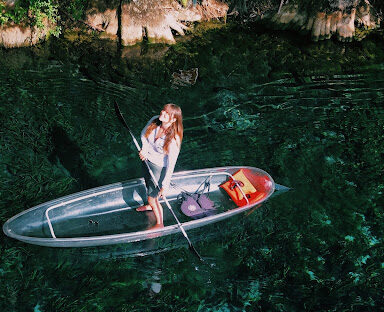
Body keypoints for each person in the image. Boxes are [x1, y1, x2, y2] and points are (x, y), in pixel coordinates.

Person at [136, 104, 183, 230]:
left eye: (167, 113)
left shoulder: (174, 139)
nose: (163, 113)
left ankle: (159, 223)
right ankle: (151, 206)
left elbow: (171, 164)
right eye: (163, 110)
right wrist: (144, 150)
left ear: (173, 119)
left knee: (153, 197)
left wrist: (165, 185)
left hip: (159, 168)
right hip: (146, 160)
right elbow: (143, 134)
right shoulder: (155, 119)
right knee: (148, 186)